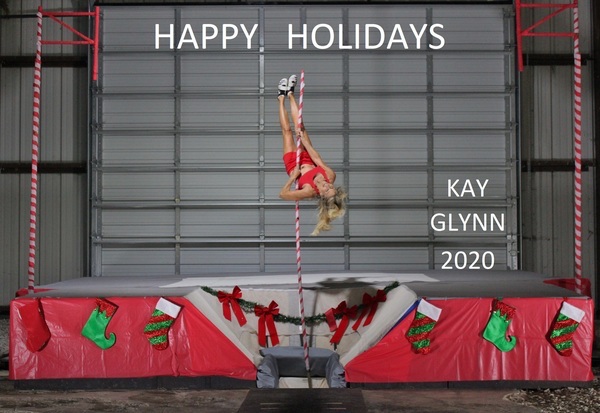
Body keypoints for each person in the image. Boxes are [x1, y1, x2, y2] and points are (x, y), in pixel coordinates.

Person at [277, 74, 347, 235]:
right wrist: (305, 142)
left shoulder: (309, 191)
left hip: (293, 166)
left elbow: (283, 194)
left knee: (287, 132)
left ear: (321, 195)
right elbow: (317, 159)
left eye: (327, 189)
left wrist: (293, 177)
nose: (328, 185)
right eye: (331, 188)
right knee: (300, 127)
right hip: (308, 156)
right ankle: (290, 93)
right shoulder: (330, 176)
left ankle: (280, 96)